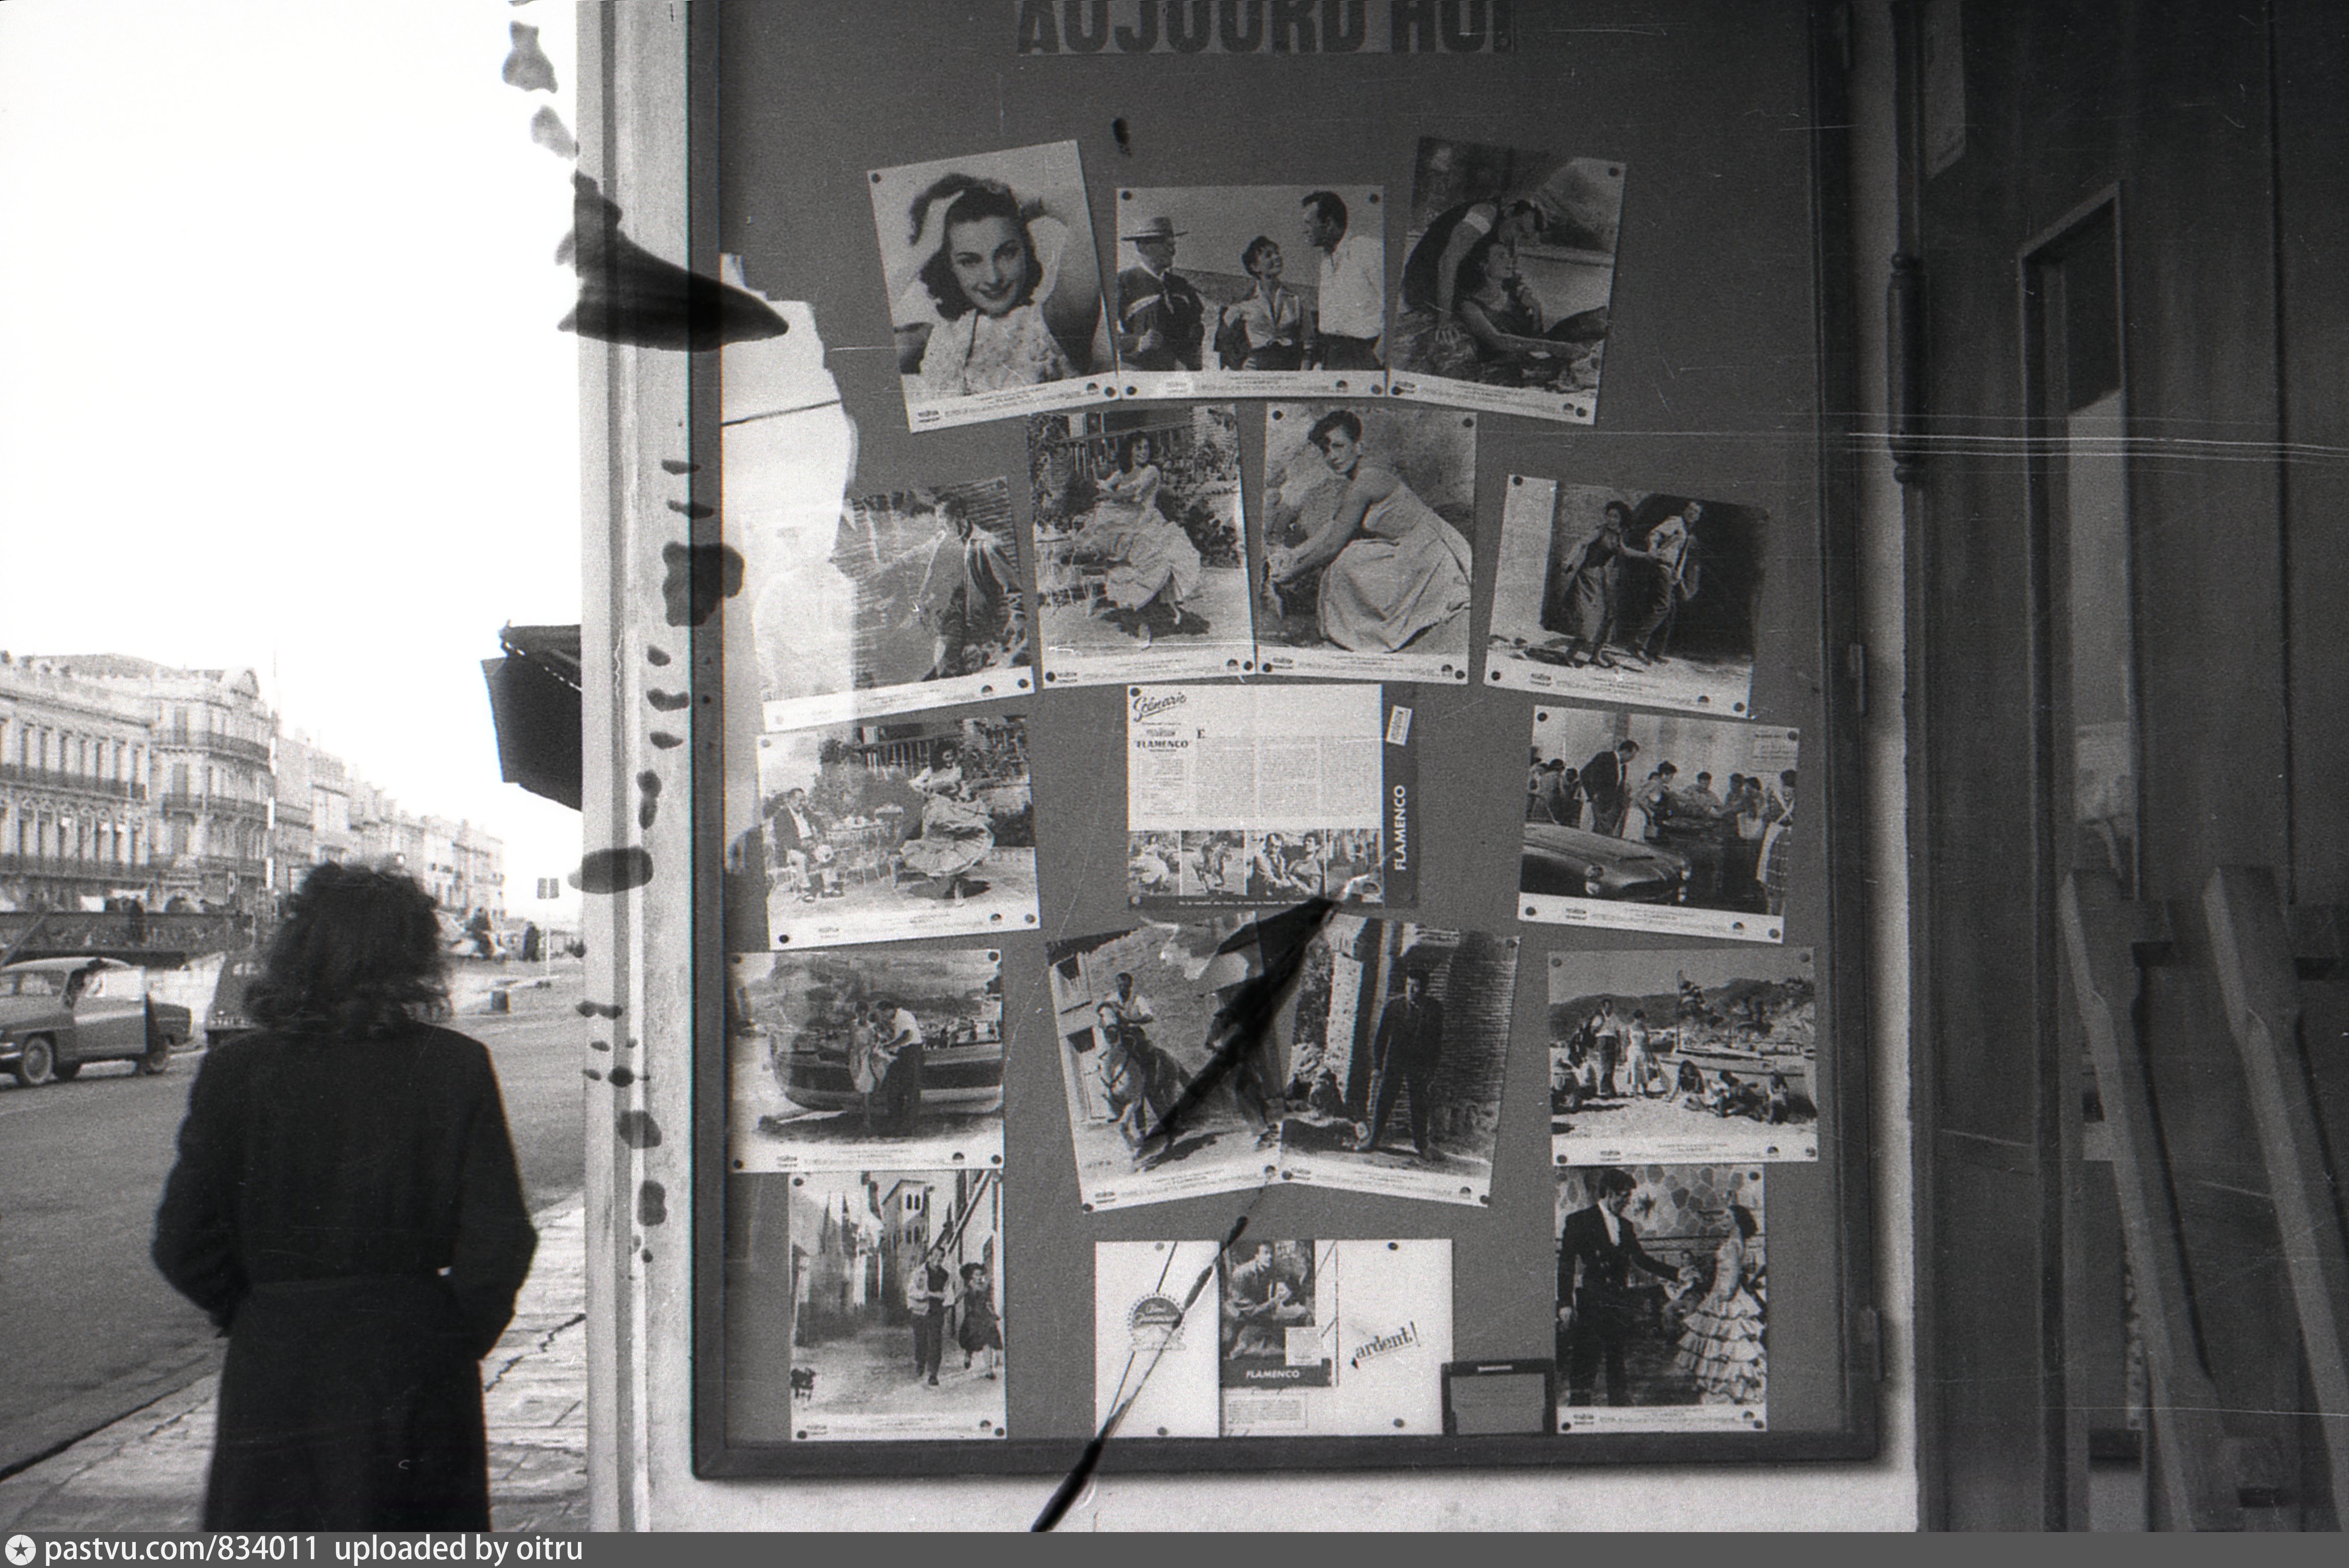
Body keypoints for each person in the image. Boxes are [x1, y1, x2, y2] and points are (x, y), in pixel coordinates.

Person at [151, 864, 537, 1529]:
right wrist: (443, 1340)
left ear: (298, 951)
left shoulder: (235, 1072)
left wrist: (261, 1314)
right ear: (413, 958)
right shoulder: (454, 1066)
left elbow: (183, 1241)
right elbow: (499, 1241)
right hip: (411, 1361)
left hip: (280, 1366)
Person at [1265, 410, 1473, 654]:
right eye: (1326, 450)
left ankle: (1356, 637)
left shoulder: (1367, 482)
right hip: (1409, 548)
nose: (1333, 456)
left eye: (1339, 446)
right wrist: (1295, 554)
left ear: (1358, 446)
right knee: (1353, 557)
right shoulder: (1359, 482)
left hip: (1427, 554)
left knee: (1345, 562)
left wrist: (1293, 574)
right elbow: (1334, 526)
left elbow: (1332, 546)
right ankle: (1353, 633)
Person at [896, 174, 1076, 397]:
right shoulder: (938, 338)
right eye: (970, 261)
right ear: (948, 266)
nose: (993, 277)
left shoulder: (1056, 322)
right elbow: (863, 340)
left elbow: (1087, 211)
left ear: (1026, 251)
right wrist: (925, 247)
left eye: (1007, 253)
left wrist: (1036, 204)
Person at [1556, 1169, 1688, 1408]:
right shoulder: (1579, 1221)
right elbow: (1566, 1264)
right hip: (1592, 1299)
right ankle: (1579, 1404)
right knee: (1586, 1356)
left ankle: (1619, 1403)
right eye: (1624, 1196)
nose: (1628, 1202)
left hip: (1618, 1299)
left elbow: (1642, 1259)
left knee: (1616, 1355)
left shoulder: (1625, 1226)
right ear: (1609, 1193)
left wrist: (1678, 1273)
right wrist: (1565, 1303)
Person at [1073, 432, 1204, 649]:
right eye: (1139, 448)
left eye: (1147, 448)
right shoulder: (1121, 473)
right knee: (1126, 567)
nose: (1144, 452)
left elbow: (1132, 492)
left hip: (1146, 523)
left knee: (1155, 564)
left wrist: (1109, 495)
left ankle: (1150, 618)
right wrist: (1098, 490)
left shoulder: (1151, 471)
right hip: (1125, 524)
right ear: (1130, 450)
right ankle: (1143, 612)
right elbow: (1104, 488)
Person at [910, 495, 1019, 681]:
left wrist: (1013, 630)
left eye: (943, 518)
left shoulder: (985, 545)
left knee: (968, 677)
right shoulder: (942, 542)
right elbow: (925, 567)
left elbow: (1014, 590)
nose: (940, 525)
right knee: (943, 673)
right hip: (946, 625)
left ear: (959, 515)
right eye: (937, 519)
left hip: (976, 630)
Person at [1673, 1205, 1766, 1405]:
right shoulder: (1735, 1242)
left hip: (1726, 1295)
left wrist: (1724, 1296)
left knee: (1726, 1341)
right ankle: (1721, 1382)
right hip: (1721, 1292)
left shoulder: (1733, 1244)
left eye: (1728, 1218)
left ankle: (1726, 1386)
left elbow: (1732, 1275)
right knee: (1720, 1343)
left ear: (1737, 1222)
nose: (1723, 1221)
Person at [1545, 500, 1651, 668]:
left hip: (1602, 579)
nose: (1611, 520)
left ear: (1622, 519)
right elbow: (1581, 543)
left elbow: (1625, 552)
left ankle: (1596, 655)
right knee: (1589, 620)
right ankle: (1569, 655)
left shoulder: (1617, 535)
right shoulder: (1600, 532)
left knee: (1608, 617)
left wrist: (1646, 556)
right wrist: (1568, 560)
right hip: (1587, 578)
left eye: (1615, 517)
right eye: (1609, 516)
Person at [1355, 966, 1444, 1159]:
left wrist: (1432, 1070)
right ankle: (1374, 1140)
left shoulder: (1435, 1009)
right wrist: (1378, 1065)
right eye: (1409, 985)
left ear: (1425, 988)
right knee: (1384, 1100)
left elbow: (1436, 1043)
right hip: (1395, 1061)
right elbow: (1381, 1038)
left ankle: (1422, 1146)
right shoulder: (1393, 1006)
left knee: (1419, 1103)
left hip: (1419, 1064)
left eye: (1417, 986)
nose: (1412, 990)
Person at [896, 743, 993, 900]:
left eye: (952, 756)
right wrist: (927, 789)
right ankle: (942, 882)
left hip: (950, 811)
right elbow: (914, 784)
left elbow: (960, 790)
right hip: (934, 812)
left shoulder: (956, 770)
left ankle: (955, 883)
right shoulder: (930, 771)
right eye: (947, 756)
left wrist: (955, 793)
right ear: (940, 758)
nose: (950, 760)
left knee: (953, 843)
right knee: (934, 844)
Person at [1299, 191, 1384, 370]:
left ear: (1329, 223)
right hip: (1332, 356)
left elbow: (1395, 304)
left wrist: (1378, 358)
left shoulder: (1368, 250)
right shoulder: (1326, 262)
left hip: (1363, 357)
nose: (1304, 230)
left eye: (1308, 223)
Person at [1115, 215, 1206, 372]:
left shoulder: (1181, 285)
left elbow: (1196, 325)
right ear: (1142, 247)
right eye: (1166, 245)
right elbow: (1104, 335)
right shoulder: (1124, 283)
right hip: (1143, 372)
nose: (1173, 251)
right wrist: (1137, 343)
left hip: (1181, 373)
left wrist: (1191, 358)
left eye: (1173, 245)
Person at [1625, 502, 1702, 665]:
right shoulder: (1675, 522)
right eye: (1690, 510)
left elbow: (1681, 555)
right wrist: (1653, 549)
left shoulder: (1687, 531)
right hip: (1663, 567)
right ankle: (1636, 644)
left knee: (1670, 611)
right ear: (1684, 510)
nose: (1692, 513)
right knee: (1663, 606)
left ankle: (1655, 651)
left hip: (1672, 573)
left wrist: (1679, 576)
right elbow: (1655, 533)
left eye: (1696, 512)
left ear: (1698, 517)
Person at [1215, 236, 1305, 370]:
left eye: (1277, 253)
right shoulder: (1244, 301)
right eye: (1268, 255)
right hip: (1258, 367)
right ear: (1255, 267)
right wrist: (1239, 362)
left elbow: (1307, 340)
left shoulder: (1294, 299)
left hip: (1288, 367)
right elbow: (1223, 339)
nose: (1277, 258)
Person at [908, 1244, 952, 1387]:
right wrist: (931, 1294)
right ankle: (920, 1362)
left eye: (941, 1257)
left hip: (936, 1312)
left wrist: (946, 1305)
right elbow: (912, 1292)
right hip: (920, 1312)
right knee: (921, 1342)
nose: (938, 1259)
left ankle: (933, 1374)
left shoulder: (945, 1275)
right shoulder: (919, 1273)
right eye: (936, 1256)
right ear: (930, 1256)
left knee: (936, 1343)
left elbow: (948, 1294)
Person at [1578, 738, 1639, 838]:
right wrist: (1592, 793)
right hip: (1597, 801)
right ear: (1625, 751)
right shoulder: (1605, 757)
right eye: (1632, 756)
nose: (1632, 759)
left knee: (1603, 832)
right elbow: (1585, 773)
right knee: (1591, 829)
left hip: (1609, 805)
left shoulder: (1623, 767)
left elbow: (1619, 785)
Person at [955, 1261, 1003, 1379]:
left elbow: (988, 1303)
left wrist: (994, 1314)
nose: (979, 1277)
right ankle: (968, 1356)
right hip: (972, 1318)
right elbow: (957, 1299)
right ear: (971, 1275)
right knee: (971, 1340)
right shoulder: (968, 1288)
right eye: (976, 1275)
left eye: (980, 1275)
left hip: (985, 1317)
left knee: (988, 1341)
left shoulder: (985, 1287)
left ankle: (989, 1370)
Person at [1589, 999, 1623, 1098]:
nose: (1611, 1009)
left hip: (1612, 1040)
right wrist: (1601, 1024)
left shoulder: (1614, 1017)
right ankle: (1608, 1088)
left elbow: (1618, 1032)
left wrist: (1619, 1045)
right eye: (1609, 1007)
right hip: (1603, 1039)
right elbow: (1593, 1031)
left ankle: (1607, 1087)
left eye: (1612, 1007)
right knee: (1605, 1065)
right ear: (1603, 1008)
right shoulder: (1598, 1018)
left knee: (1611, 1065)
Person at [1623, 1009, 1657, 1099]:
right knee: (1634, 1069)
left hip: (1643, 1050)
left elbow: (1647, 1042)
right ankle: (1635, 1092)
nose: (1641, 1020)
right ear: (1636, 1018)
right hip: (1633, 1050)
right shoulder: (1630, 1028)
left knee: (1644, 1070)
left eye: (1642, 1019)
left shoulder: (1644, 1029)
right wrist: (1623, 1053)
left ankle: (1645, 1090)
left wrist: (1651, 1054)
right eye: (1640, 1018)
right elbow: (1626, 1041)